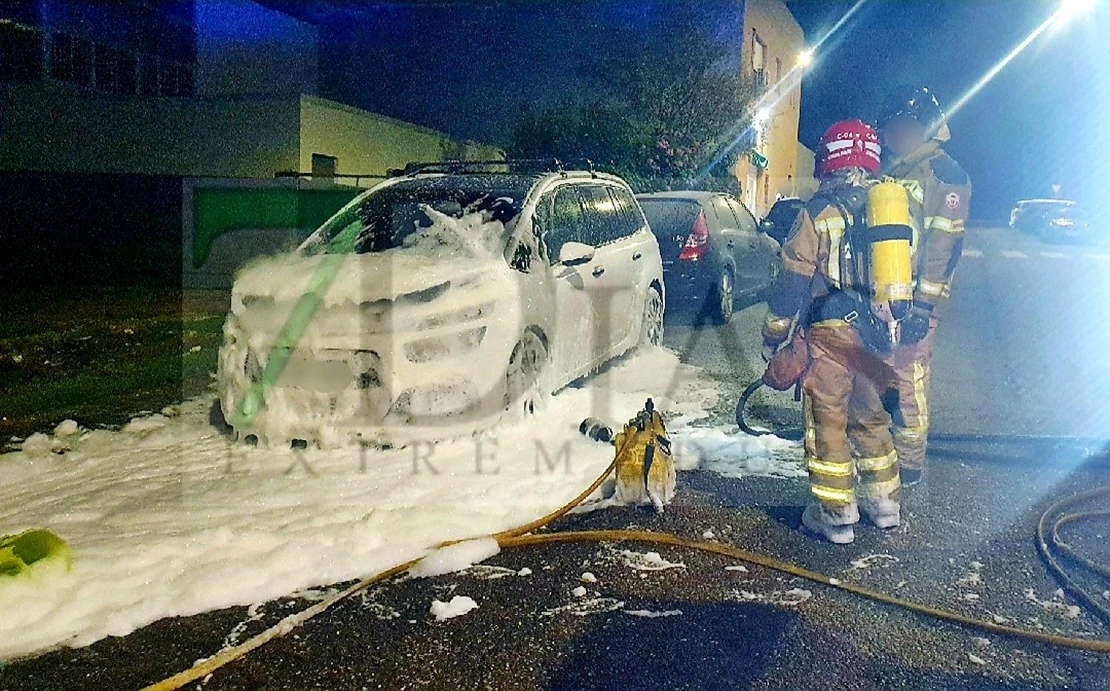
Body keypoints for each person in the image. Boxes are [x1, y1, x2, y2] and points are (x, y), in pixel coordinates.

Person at [761, 120, 900, 544]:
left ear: (829, 160)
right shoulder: (889, 211)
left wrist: (774, 332)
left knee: (828, 426)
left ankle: (836, 515)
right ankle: (885, 504)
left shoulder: (817, 213)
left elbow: (793, 278)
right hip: (876, 337)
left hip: (829, 336)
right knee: (871, 419)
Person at [879, 86, 972, 486]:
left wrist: (923, 307)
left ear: (918, 126)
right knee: (883, 371)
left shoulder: (944, 174)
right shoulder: (898, 169)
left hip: (919, 300)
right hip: (890, 293)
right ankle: (886, 448)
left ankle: (910, 462)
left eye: (895, 128)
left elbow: (942, 248)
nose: (889, 137)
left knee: (908, 374)